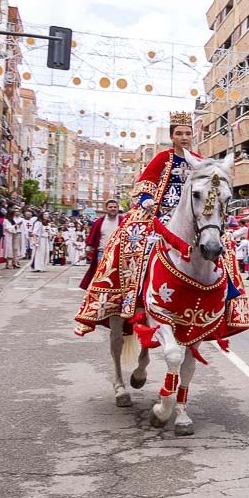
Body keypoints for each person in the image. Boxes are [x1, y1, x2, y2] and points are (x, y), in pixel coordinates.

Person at [75, 112, 217, 335]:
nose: (184, 137)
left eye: (188, 133)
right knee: (130, 241)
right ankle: (133, 294)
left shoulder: (199, 161)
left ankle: (224, 299)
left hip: (192, 213)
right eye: (179, 133)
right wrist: (146, 199)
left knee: (219, 243)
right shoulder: (163, 158)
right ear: (172, 136)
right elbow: (146, 181)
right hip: (158, 213)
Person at [79, 199, 122, 290]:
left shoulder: (124, 221)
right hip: (102, 254)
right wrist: (85, 253)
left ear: (118, 208)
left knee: (116, 277)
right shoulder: (99, 222)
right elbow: (92, 238)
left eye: (115, 207)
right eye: (110, 207)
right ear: (106, 208)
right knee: (101, 276)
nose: (113, 209)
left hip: (118, 254)